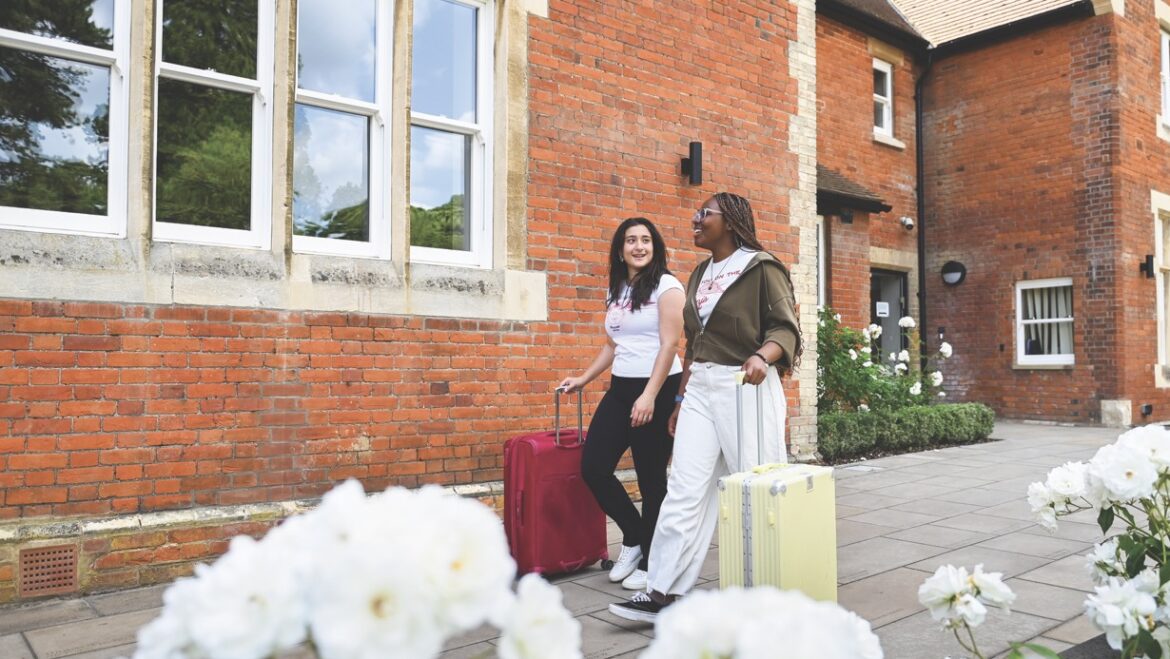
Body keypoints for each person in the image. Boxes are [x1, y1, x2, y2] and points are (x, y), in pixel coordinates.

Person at [609, 192, 802, 622]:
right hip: (701, 389)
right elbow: (695, 345)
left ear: (730, 222)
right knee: (683, 488)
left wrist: (763, 356)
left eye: (705, 214)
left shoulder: (761, 267)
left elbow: (785, 329)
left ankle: (769, 596)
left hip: (745, 384)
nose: (695, 220)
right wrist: (681, 399)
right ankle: (662, 592)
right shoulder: (698, 273)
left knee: (752, 488)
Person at [558, 217, 685, 591]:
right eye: (631, 240)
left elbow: (670, 345)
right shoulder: (617, 289)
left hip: (658, 390)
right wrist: (584, 378)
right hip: (621, 389)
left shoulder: (667, 286)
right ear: (620, 249)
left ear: (655, 246)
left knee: (651, 480)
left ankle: (651, 558)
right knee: (594, 467)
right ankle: (632, 535)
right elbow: (613, 345)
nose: (639, 246)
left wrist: (649, 394)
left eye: (646, 240)